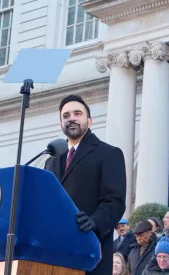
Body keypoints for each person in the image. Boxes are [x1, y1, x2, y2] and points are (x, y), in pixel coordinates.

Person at [45, 95, 127, 275]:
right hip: (55, 254)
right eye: (66, 116)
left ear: (89, 121)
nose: (71, 118)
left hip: (90, 250)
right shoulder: (51, 160)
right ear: (61, 125)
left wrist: (95, 222)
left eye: (77, 113)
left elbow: (115, 201)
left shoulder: (109, 153)